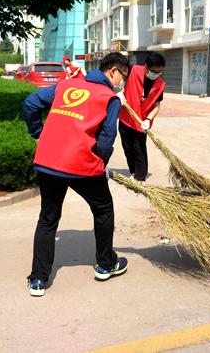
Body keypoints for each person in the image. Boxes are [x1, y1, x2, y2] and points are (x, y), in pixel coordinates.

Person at [22, 52, 130, 297]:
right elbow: (106, 139)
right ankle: (106, 264)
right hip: (80, 163)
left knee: (48, 218)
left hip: (47, 161)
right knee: (103, 209)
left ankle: (37, 279)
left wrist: (38, 133)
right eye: (122, 76)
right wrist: (101, 163)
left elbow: (30, 104)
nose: (121, 83)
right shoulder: (109, 97)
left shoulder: (65, 85)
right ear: (114, 71)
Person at [117, 52, 166, 182]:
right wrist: (120, 93)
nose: (155, 74)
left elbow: (156, 106)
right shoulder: (132, 70)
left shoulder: (159, 85)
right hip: (125, 117)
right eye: (153, 71)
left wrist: (148, 120)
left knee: (139, 149)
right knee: (127, 147)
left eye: (159, 72)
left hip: (141, 121)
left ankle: (140, 177)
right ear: (146, 66)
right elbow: (118, 83)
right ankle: (133, 172)